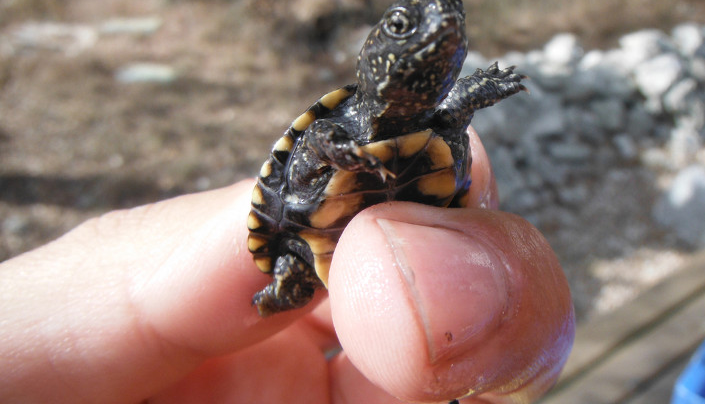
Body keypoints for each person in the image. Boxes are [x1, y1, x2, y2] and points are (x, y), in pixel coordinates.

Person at [0, 129, 574, 403]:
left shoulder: (434, 126)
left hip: (390, 221)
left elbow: (451, 135)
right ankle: (285, 287)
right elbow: (317, 140)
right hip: (305, 227)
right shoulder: (347, 123)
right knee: (287, 280)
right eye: (404, 29)